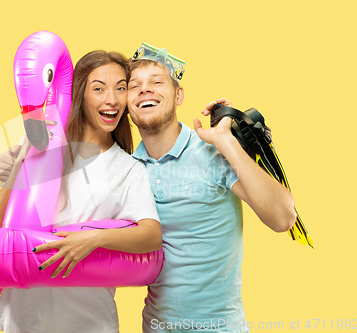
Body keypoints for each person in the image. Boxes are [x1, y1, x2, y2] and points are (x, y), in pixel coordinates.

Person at [126, 44, 296, 332]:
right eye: (134, 86)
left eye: (157, 82)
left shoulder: (212, 152)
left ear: (178, 94)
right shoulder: (129, 169)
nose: (145, 90)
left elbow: (283, 217)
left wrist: (226, 142)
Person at [0, 50, 162, 333]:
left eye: (121, 88)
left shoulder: (129, 168)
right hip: (20, 320)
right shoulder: (44, 144)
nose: (112, 99)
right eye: (99, 89)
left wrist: (93, 239)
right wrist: (25, 152)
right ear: (79, 94)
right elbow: (0, 222)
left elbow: (151, 235)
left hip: (88, 322)